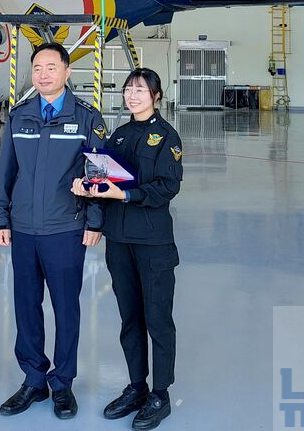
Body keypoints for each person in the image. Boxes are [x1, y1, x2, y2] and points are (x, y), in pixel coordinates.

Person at [0, 42, 106, 420]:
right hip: (23, 229)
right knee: (26, 306)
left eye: (51, 67)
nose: (43, 74)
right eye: (37, 68)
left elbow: (98, 174)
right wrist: (1, 217)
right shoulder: (19, 116)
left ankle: (63, 383)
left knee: (66, 308)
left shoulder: (87, 118)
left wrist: (95, 221)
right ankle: (34, 380)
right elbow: (6, 171)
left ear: (67, 72)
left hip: (65, 229)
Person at [72, 67, 183, 431]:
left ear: (156, 96)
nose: (133, 95)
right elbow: (102, 176)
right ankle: (137, 386)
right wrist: (88, 186)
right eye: (128, 90)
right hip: (119, 241)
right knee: (130, 318)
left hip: (152, 242)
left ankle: (160, 394)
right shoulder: (118, 135)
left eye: (140, 90)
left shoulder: (166, 137)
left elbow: (167, 187)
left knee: (157, 319)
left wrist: (126, 194)